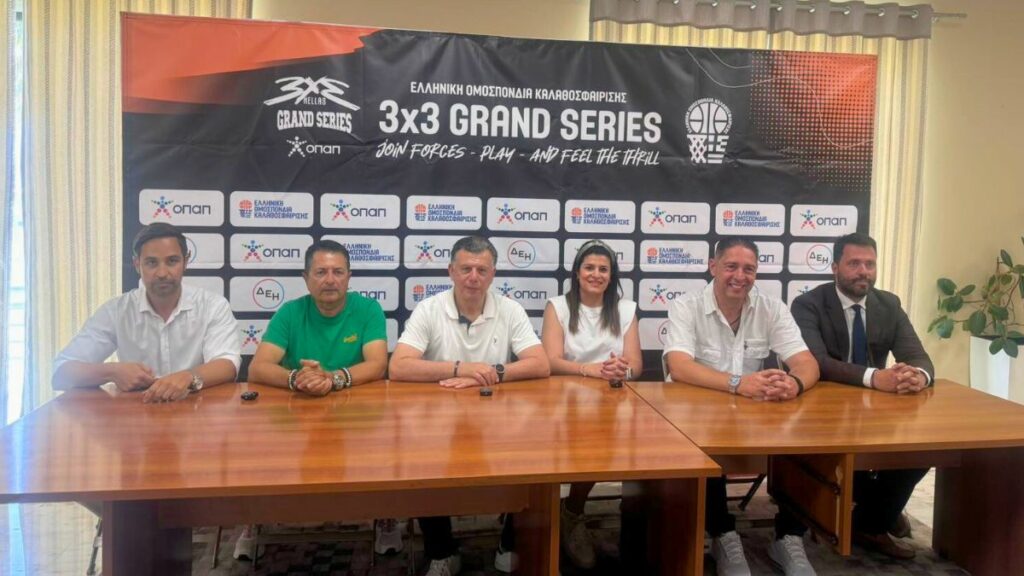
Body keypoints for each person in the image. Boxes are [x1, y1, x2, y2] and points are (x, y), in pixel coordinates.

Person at [389, 235, 550, 576]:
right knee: (421, 464)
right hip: (437, 424)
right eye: (465, 269)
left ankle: (510, 543)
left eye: (481, 270)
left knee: (533, 458)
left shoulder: (510, 309)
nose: (473, 277)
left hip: (497, 422)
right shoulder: (429, 308)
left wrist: (492, 372)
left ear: (493, 274)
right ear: (451, 271)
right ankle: (442, 551)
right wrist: (460, 368)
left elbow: (540, 364)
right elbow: (399, 367)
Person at [663, 238, 820, 576]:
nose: (740, 276)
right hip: (694, 418)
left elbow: (807, 362)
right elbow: (679, 366)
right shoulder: (686, 306)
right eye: (731, 266)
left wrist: (795, 383)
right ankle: (722, 533)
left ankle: (789, 537)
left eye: (749, 269)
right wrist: (738, 383)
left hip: (752, 415)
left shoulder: (771, 307)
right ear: (713, 267)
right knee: (705, 446)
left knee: (807, 441)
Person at [237, 240, 392, 560]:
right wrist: (297, 378)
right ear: (306, 278)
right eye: (321, 272)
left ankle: (386, 515)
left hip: (353, 409)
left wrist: (332, 379)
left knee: (383, 443)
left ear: (349, 277)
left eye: (338, 272)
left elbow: (377, 364)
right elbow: (258, 368)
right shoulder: (290, 312)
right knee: (256, 447)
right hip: (298, 409)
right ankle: (254, 519)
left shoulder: (368, 309)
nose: (330, 280)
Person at [791, 232, 933, 559]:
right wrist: (875, 377)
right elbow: (817, 362)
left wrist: (917, 376)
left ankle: (872, 519)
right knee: (844, 458)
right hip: (823, 412)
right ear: (835, 268)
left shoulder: (888, 304)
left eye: (869, 264)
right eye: (854, 263)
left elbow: (917, 355)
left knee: (921, 449)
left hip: (875, 411)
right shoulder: (809, 304)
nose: (863, 272)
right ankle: (876, 513)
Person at [53, 222, 241, 401]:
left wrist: (189, 377)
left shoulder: (212, 306)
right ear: (137, 264)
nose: (162, 273)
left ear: (185, 261)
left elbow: (227, 364)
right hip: (138, 411)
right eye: (151, 263)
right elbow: (61, 374)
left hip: (196, 410)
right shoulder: (116, 311)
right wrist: (112, 371)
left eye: (172, 261)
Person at [540, 239, 641, 570]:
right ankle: (549, 520)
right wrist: (590, 369)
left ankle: (573, 512)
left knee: (612, 447)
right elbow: (550, 361)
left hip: (610, 402)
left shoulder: (626, 309)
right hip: (562, 400)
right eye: (589, 268)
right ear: (577, 272)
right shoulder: (558, 306)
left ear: (611, 276)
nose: (596, 274)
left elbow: (636, 366)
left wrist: (620, 369)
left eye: (603, 269)